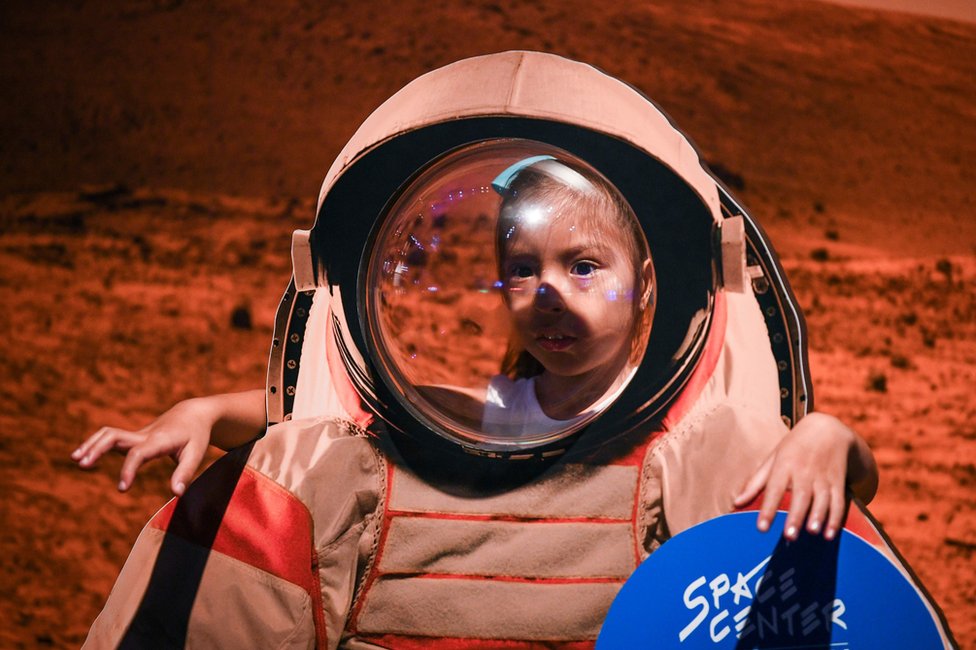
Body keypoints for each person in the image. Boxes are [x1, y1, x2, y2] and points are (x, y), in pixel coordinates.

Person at [75, 52, 893, 648]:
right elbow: (335, 426)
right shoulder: (475, 417)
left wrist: (825, 437)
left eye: (583, 266)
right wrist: (203, 412)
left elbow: (832, 490)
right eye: (522, 269)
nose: (549, 291)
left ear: (648, 284)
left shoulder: (693, 461)